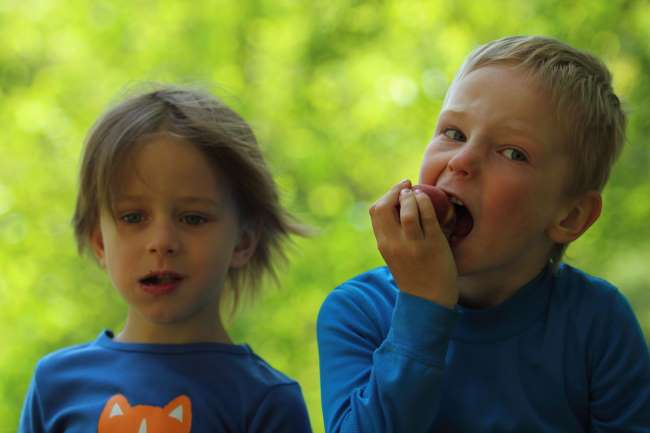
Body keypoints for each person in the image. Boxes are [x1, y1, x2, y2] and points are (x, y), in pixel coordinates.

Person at [317, 35, 650, 432]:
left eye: (512, 153)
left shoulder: (598, 324)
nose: (461, 161)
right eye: (454, 133)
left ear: (571, 216)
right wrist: (424, 305)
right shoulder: (358, 312)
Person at [19, 85, 313, 433]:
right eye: (132, 217)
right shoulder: (55, 385)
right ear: (99, 242)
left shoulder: (266, 402)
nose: (161, 242)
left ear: (242, 241)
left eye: (193, 218)